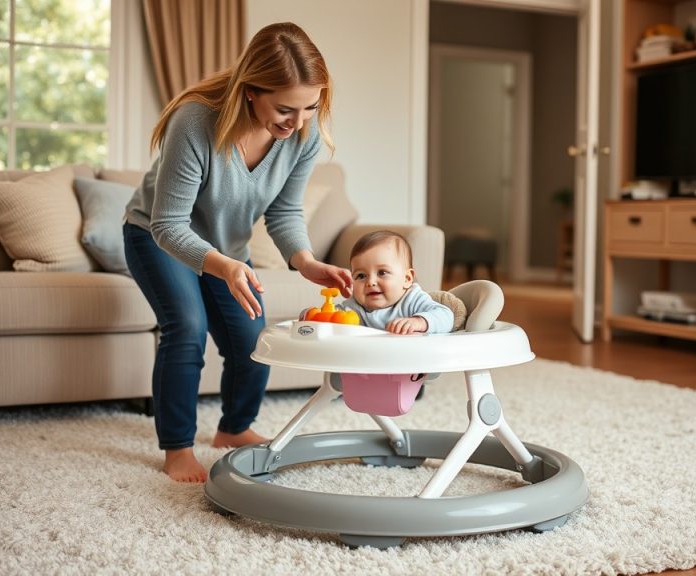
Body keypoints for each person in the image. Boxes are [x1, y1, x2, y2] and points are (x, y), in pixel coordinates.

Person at [122, 22, 352, 483]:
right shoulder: (195, 122)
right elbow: (169, 224)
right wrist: (224, 266)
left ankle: (233, 429)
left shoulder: (302, 137)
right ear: (250, 91)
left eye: (310, 107)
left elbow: (284, 212)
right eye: (285, 108)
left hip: (226, 249)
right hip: (158, 237)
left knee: (253, 342)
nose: (298, 121)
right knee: (186, 327)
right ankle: (178, 448)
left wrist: (306, 262)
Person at [340, 230, 454, 335]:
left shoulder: (412, 300)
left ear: (407, 279)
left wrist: (419, 322)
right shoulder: (353, 307)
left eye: (382, 272)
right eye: (361, 276)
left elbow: (446, 316)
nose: (370, 282)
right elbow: (328, 320)